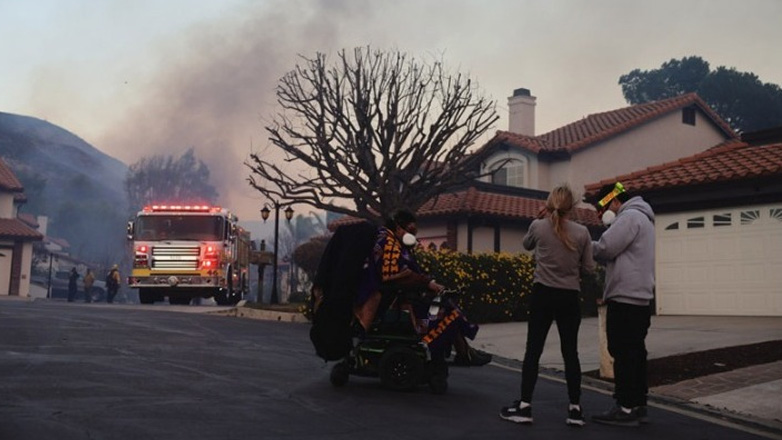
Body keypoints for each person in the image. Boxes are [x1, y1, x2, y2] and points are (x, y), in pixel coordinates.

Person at [500, 184, 595, 427]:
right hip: (569, 296)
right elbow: (588, 269)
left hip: (543, 294)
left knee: (533, 350)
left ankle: (524, 406)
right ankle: (575, 409)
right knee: (570, 353)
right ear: (572, 206)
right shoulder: (582, 233)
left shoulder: (538, 226)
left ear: (549, 204)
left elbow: (526, 245)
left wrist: (540, 217)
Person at [360, 209, 491, 367]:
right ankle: (461, 353)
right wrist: (426, 283)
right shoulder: (389, 243)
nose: (413, 235)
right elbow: (392, 276)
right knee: (444, 311)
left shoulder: (393, 241)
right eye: (410, 230)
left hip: (401, 295)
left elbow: (406, 272)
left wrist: (426, 281)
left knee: (445, 305)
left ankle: (464, 352)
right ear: (399, 228)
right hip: (395, 301)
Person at [590, 182, 655, 427]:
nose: (607, 213)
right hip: (640, 298)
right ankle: (638, 405)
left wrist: (582, 243)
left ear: (614, 202)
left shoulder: (628, 218)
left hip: (625, 297)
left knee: (622, 352)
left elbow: (606, 248)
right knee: (636, 352)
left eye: (606, 207)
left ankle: (624, 407)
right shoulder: (645, 218)